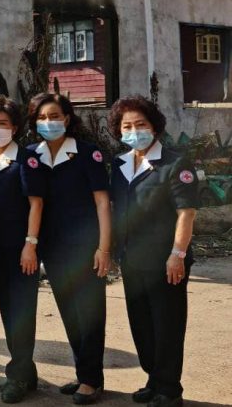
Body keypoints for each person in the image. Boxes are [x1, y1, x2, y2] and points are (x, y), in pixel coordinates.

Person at [108, 96, 197, 407]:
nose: (134, 131)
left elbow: (186, 213)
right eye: (127, 126)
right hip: (131, 259)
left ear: (154, 126)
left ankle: (170, 390)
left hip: (165, 262)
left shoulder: (175, 164)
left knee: (167, 325)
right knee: (142, 324)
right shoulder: (120, 165)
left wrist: (178, 254)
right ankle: (154, 379)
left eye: (141, 124)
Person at [24, 92, 112, 405]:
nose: (48, 122)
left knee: (90, 314)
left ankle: (92, 380)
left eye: (54, 116)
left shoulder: (87, 153)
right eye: (42, 118)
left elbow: (102, 203)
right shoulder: (31, 156)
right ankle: (83, 373)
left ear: (67, 119)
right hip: (53, 248)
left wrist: (104, 247)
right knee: (70, 313)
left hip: (86, 247)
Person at [0, 96, 47, 404]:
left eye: (3, 123)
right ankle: (26, 371)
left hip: (21, 250)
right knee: (7, 310)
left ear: (15, 128)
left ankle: (17, 376)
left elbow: (36, 204)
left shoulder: (26, 160)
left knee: (21, 311)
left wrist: (30, 245)